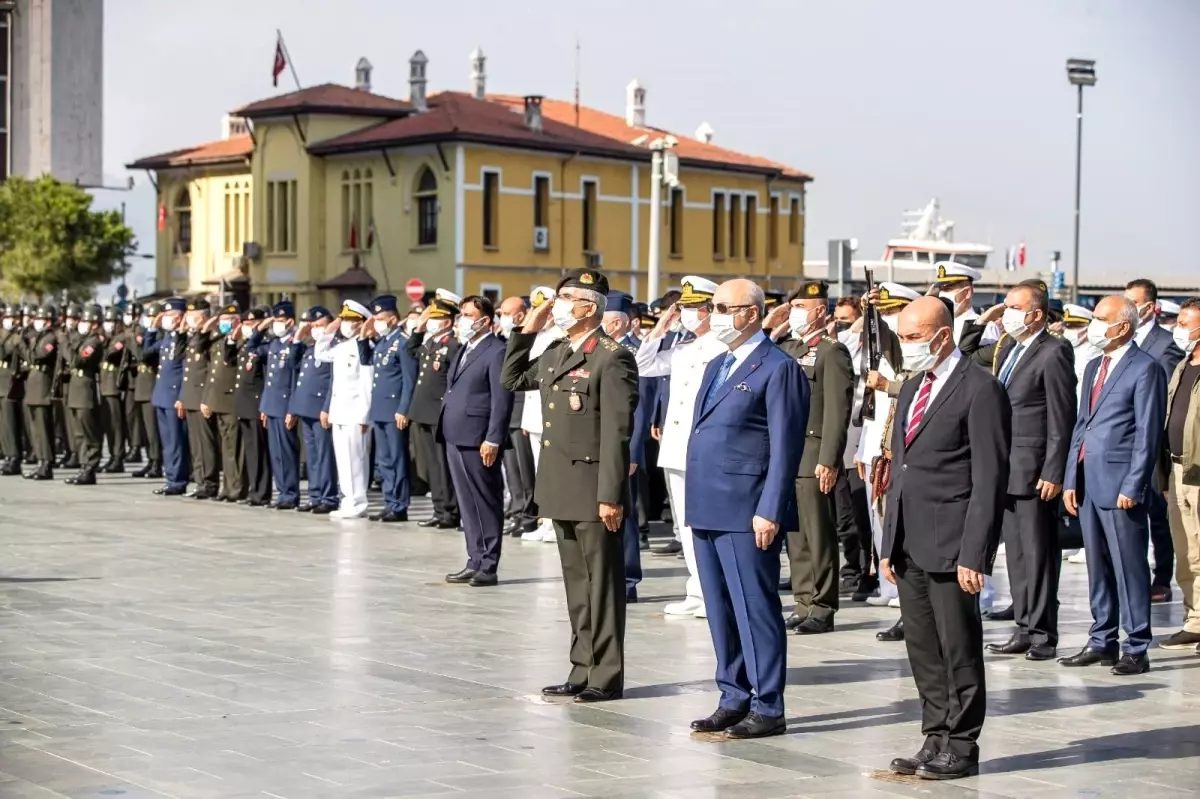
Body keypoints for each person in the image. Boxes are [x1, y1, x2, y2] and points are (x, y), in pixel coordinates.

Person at [881, 296, 1010, 780]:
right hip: (911, 541)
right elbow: (903, 469)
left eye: (915, 338)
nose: (908, 348)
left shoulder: (980, 389)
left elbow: (988, 478)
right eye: (903, 338)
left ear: (943, 334)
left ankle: (962, 744)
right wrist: (889, 542)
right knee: (923, 648)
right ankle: (934, 735)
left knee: (958, 648)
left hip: (953, 542)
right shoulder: (913, 384)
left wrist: (974, 552)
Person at [502, 269, 639, 704]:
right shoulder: (558, 350)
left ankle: (607, 674)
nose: (557, 305)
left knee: (602, 586)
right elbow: (511, 379)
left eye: (565, 299)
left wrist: (610, 496)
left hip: (594, 488)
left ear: (589, 307)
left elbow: (618, 432)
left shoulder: (611, 356)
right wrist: (529, 328)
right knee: (577, 586)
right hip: (561, 484)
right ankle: (581, 668)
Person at [682, 278, 808, 739]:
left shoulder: (778, 368)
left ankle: (768, 704)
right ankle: (732, 695)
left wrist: (770, 508)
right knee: (719, 607)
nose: (713, 315)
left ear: (751, 313)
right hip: (708, 502)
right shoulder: (718, 362)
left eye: (722, 307)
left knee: (754, 609)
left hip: (747, 508)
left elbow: (785, 445)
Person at [1061, 295, 1167, 675]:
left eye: (1100, 318)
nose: (1093, 324)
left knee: (1129, 567)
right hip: (1089, 482)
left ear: (1122, 326)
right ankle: (1101, 639)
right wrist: (1071, 476)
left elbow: (1148, 433)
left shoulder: (1145, 369)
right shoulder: (1092, 366)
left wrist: (1134, 484)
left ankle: (1136, 645)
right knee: (1098, 566)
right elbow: (1082, 425)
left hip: (1121, 484)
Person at [983, 284, 1076, 662]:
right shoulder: (1010, 348)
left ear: (1036, 314)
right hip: (1007, 469)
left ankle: (1042, 634)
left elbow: (1061, 416)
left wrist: (1054, 470)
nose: (1007, 313)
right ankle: (1023, 626)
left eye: (1015, 307)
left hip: (1035, 470)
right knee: (1017, 555)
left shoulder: (1053, 352)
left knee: (1038, 555)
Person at [635, 275, 725, 618]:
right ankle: (697, 590)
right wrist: (661, 326)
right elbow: (644, 365)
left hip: (704, 449)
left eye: (691, 309)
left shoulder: (721, 347)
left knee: (705, 523)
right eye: (682, 309)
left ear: (709, 310)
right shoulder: (684, 348)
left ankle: (713, 594)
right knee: (685, 523)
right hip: (675, 448)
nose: (685, 314)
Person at [769, 281, 853, 635]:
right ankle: (803, 601)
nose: (795, 312)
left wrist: (830, 458)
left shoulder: (831, 351)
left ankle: (822, 605)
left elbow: (837, 409)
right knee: (796, 536)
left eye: (801, 306)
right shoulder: (787, 347)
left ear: (820, 310)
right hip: (788, 454)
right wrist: (774, 329)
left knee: (818, 535)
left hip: (813, 453)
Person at [854, 282, 916, 641]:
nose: (890, 319)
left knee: (902, 532)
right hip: (879, 449)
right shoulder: (881, 350)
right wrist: (865, 449)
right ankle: (897, 597)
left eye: (894, 310)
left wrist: (874, 316)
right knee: (884, 528)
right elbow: (871, 408)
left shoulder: (909, 349)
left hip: (902, 453)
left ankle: (910, 609)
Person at [441, 295, 514, 586]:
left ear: (485, 320)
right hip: (455, 434)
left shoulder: (496, 350)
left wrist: (493, 438)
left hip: (478, 437)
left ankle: (488, 564)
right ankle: (474, 558)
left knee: (485, 501)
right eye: (462, 315)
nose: (463, 320)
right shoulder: (465, 348)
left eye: (469, 315)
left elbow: (501, 400)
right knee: (467, 503)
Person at [1125, 279, 1184, 604]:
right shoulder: (1121, 340)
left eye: (1134, 301)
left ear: (1149, 307)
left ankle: (1162, 579)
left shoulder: (1165, 343)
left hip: (1152, 443)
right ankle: (1135, 577)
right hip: (1124, 444)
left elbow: (1165, 397)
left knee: (1158, 516)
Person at [1158, 298, 1200, 651]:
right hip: (1176, 469)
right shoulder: (1182, 366)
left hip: (1199, 472)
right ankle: (1194, 619)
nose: (1180, 329)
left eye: (1187, 323)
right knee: (1184, 551)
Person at [406, 292, 462, 529]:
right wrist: (419, 325)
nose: (430, 321)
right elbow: (410, 350)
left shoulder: (453, 345)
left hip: (439, 413)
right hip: (423, 412)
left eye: (435, 318)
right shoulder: (430, 342)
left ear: (447, 322)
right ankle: (439, 509)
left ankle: (450, 511)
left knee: (443, 465)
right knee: (431, 465)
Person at [317, 300, 375, 519]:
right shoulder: (342, 347)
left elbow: (367, 384)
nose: (346, 324)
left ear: (362, 323)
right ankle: (347, 500)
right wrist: (332, 326)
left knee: (356, 460)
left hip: (355, 413)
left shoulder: (365, 348)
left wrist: (364, 416)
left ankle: (358, 502)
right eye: (344, 320)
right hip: (339, 412)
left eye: (351, 320)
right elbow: (320, 352)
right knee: (343, 459)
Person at [517, 286, 565, 543]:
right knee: (539, 471)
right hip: (534, 415)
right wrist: (526, 418)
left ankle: (556, 522)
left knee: (552, 472)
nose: (541, 315)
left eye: (544, 309)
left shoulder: (560, 336)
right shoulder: (537, 336)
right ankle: (545, 521)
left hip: (551, 415)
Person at [364, 294, 417, 523]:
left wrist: (404, 409)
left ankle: (400, 505)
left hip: (395, 410)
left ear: (393, 319)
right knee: (383, 460)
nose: (377, 322)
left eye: (381, 318)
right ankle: (389, 501)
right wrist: (363, 336)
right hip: (380, 410)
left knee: (397, 458)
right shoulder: (383, 342)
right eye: (375, 318)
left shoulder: (403, 342)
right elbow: (365, 359)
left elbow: (409, 379)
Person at [288, 306, 338, 514]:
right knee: (313, 456)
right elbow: (292, 367)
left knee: (325, 455)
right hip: (305, 408)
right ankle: (315, 495)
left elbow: (334, 382)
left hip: (321, 410)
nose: (316, 329)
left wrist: (327, 408)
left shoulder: (334, 347)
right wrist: (298, 337)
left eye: (320, 325)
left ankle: (328, 497)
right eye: (313, 326)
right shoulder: (310, 347)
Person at [497, 296, 538, 538]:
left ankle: (529, 517)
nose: (501, 317)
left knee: (526, 471)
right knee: (512, 470)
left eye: (505, 312)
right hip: (507, 413)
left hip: (522, 411)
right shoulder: (504, 338)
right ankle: (516, 512)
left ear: (520, 315)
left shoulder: (529, 340)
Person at [258, 301, 301, 510]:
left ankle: (290, 494)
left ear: (290, 322)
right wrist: (262, 326)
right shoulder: (274, 344)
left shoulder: (295, 344)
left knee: (286, 452)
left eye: (280, 321)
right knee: (276, 453)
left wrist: (292, 409)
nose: (276, 325)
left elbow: (294, 379)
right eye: (274, 321)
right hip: (272, 405)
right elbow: (252, 348)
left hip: (285, 406)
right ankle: (282, 491)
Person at [202, 302, 243, 503]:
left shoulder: (240, 341)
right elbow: (212, 374)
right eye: (222, 320)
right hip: (218, 400)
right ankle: (227, 487)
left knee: (235, 448)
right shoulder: (217, 341)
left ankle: (237, 487)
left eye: (228, 320)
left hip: (232, 399)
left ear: (238, 322)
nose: (224, 324)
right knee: (225, 446)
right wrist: (207, 399)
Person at [149, 298, 190, 496]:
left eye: (170, 315)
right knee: (167, 442)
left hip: (175, 396)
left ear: (181, 317)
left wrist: (182, 396)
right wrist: (151, 329)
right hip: (161, 396)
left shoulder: (185, 339)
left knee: (177, 442)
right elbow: (146, 352)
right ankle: (171, 478)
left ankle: (178, 480)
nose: (166, 319)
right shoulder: (166, 338)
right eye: (164, 315)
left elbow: (185, 370)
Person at [180, 300, 220, 500]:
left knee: (206, 443)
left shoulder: (208, 337)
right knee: (195, 444)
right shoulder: (192, 337)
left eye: (192, 316)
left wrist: (204, 330)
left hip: (203, 397)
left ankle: (210, 483)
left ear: (203, 317)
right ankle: (200, 481)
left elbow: (211, 371)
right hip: (190, 397)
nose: (188, 319)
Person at [234, 306, 273, 506]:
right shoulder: (246, 344)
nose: (248, 328)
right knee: (250, 451)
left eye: (253, 324)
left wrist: (264, 405)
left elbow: (267, 378)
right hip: (244, 404)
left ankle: (261, 492)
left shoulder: (267, 344)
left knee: (260, 451)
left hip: (257, 403)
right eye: (246, 324)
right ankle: (254, 490)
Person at [63, 304, 106, 486]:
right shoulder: (82, 339)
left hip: (85, 390)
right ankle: (83, 466)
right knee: (79, 433)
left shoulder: (94, 342)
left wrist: (65, 342)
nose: (82, 324)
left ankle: (90, 468)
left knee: (89, 433)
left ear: (95, 324)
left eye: (87, 321)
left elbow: (76, 360)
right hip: (75, 388)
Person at [129, 303, 163, 480]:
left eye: (153, 317)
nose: (149, 320)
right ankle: (150, 460)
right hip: (142, 386)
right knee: (146, 428)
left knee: (153, 428)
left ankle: (157, 462)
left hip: (151, 385)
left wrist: (134, 339)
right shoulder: (145, 334)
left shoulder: (159, 336)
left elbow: (142, 355)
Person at [932, 262, 999, 347]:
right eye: (941, 289)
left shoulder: (986, 328)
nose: (942, 294)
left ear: (967, 292)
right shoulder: (937, 324)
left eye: (948, 289)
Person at [98, 306, 128, 474]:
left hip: (113, 387)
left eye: (112, 321)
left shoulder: (120, 338)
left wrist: (102, 341)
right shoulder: (107, 338)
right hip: (104, 386)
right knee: (108, 425)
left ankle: (118, 457)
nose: (109, 325)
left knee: (116, 426)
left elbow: (108, 353)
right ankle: (111, 455)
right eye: (107, 321)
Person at [0, 303, 27, 476]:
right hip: (0, 383)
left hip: (10, 385)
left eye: (12, 318)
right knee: (3, 424)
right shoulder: (5, 334)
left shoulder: (18, 337)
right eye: (7, 318)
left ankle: (14, 457)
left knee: (10, 424)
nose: (8, 321)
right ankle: (8, 456)